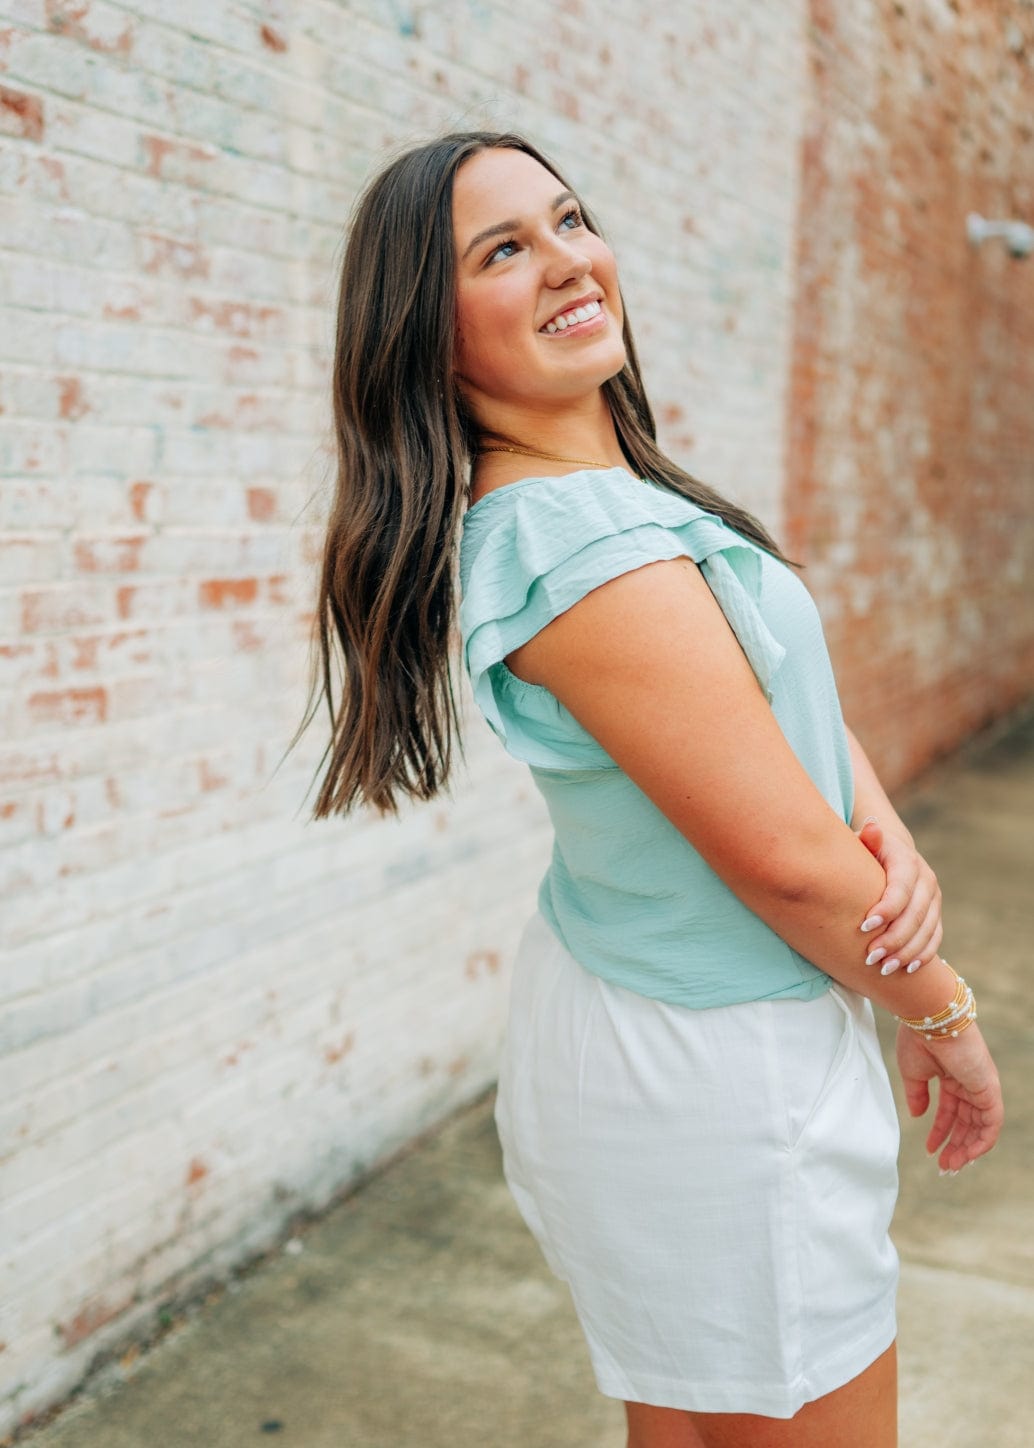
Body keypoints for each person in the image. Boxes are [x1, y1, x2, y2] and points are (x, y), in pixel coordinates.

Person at [294, 130, 1004, 1448]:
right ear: (431, 338)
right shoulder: (585, 550)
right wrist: (942, 1008)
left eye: (568, 219)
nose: (570, 260)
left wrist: (885, 838)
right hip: (722, 1077)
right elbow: (784, 864)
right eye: (504, 250)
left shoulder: (588, 499)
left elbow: (767, 709)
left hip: (647, 1029)